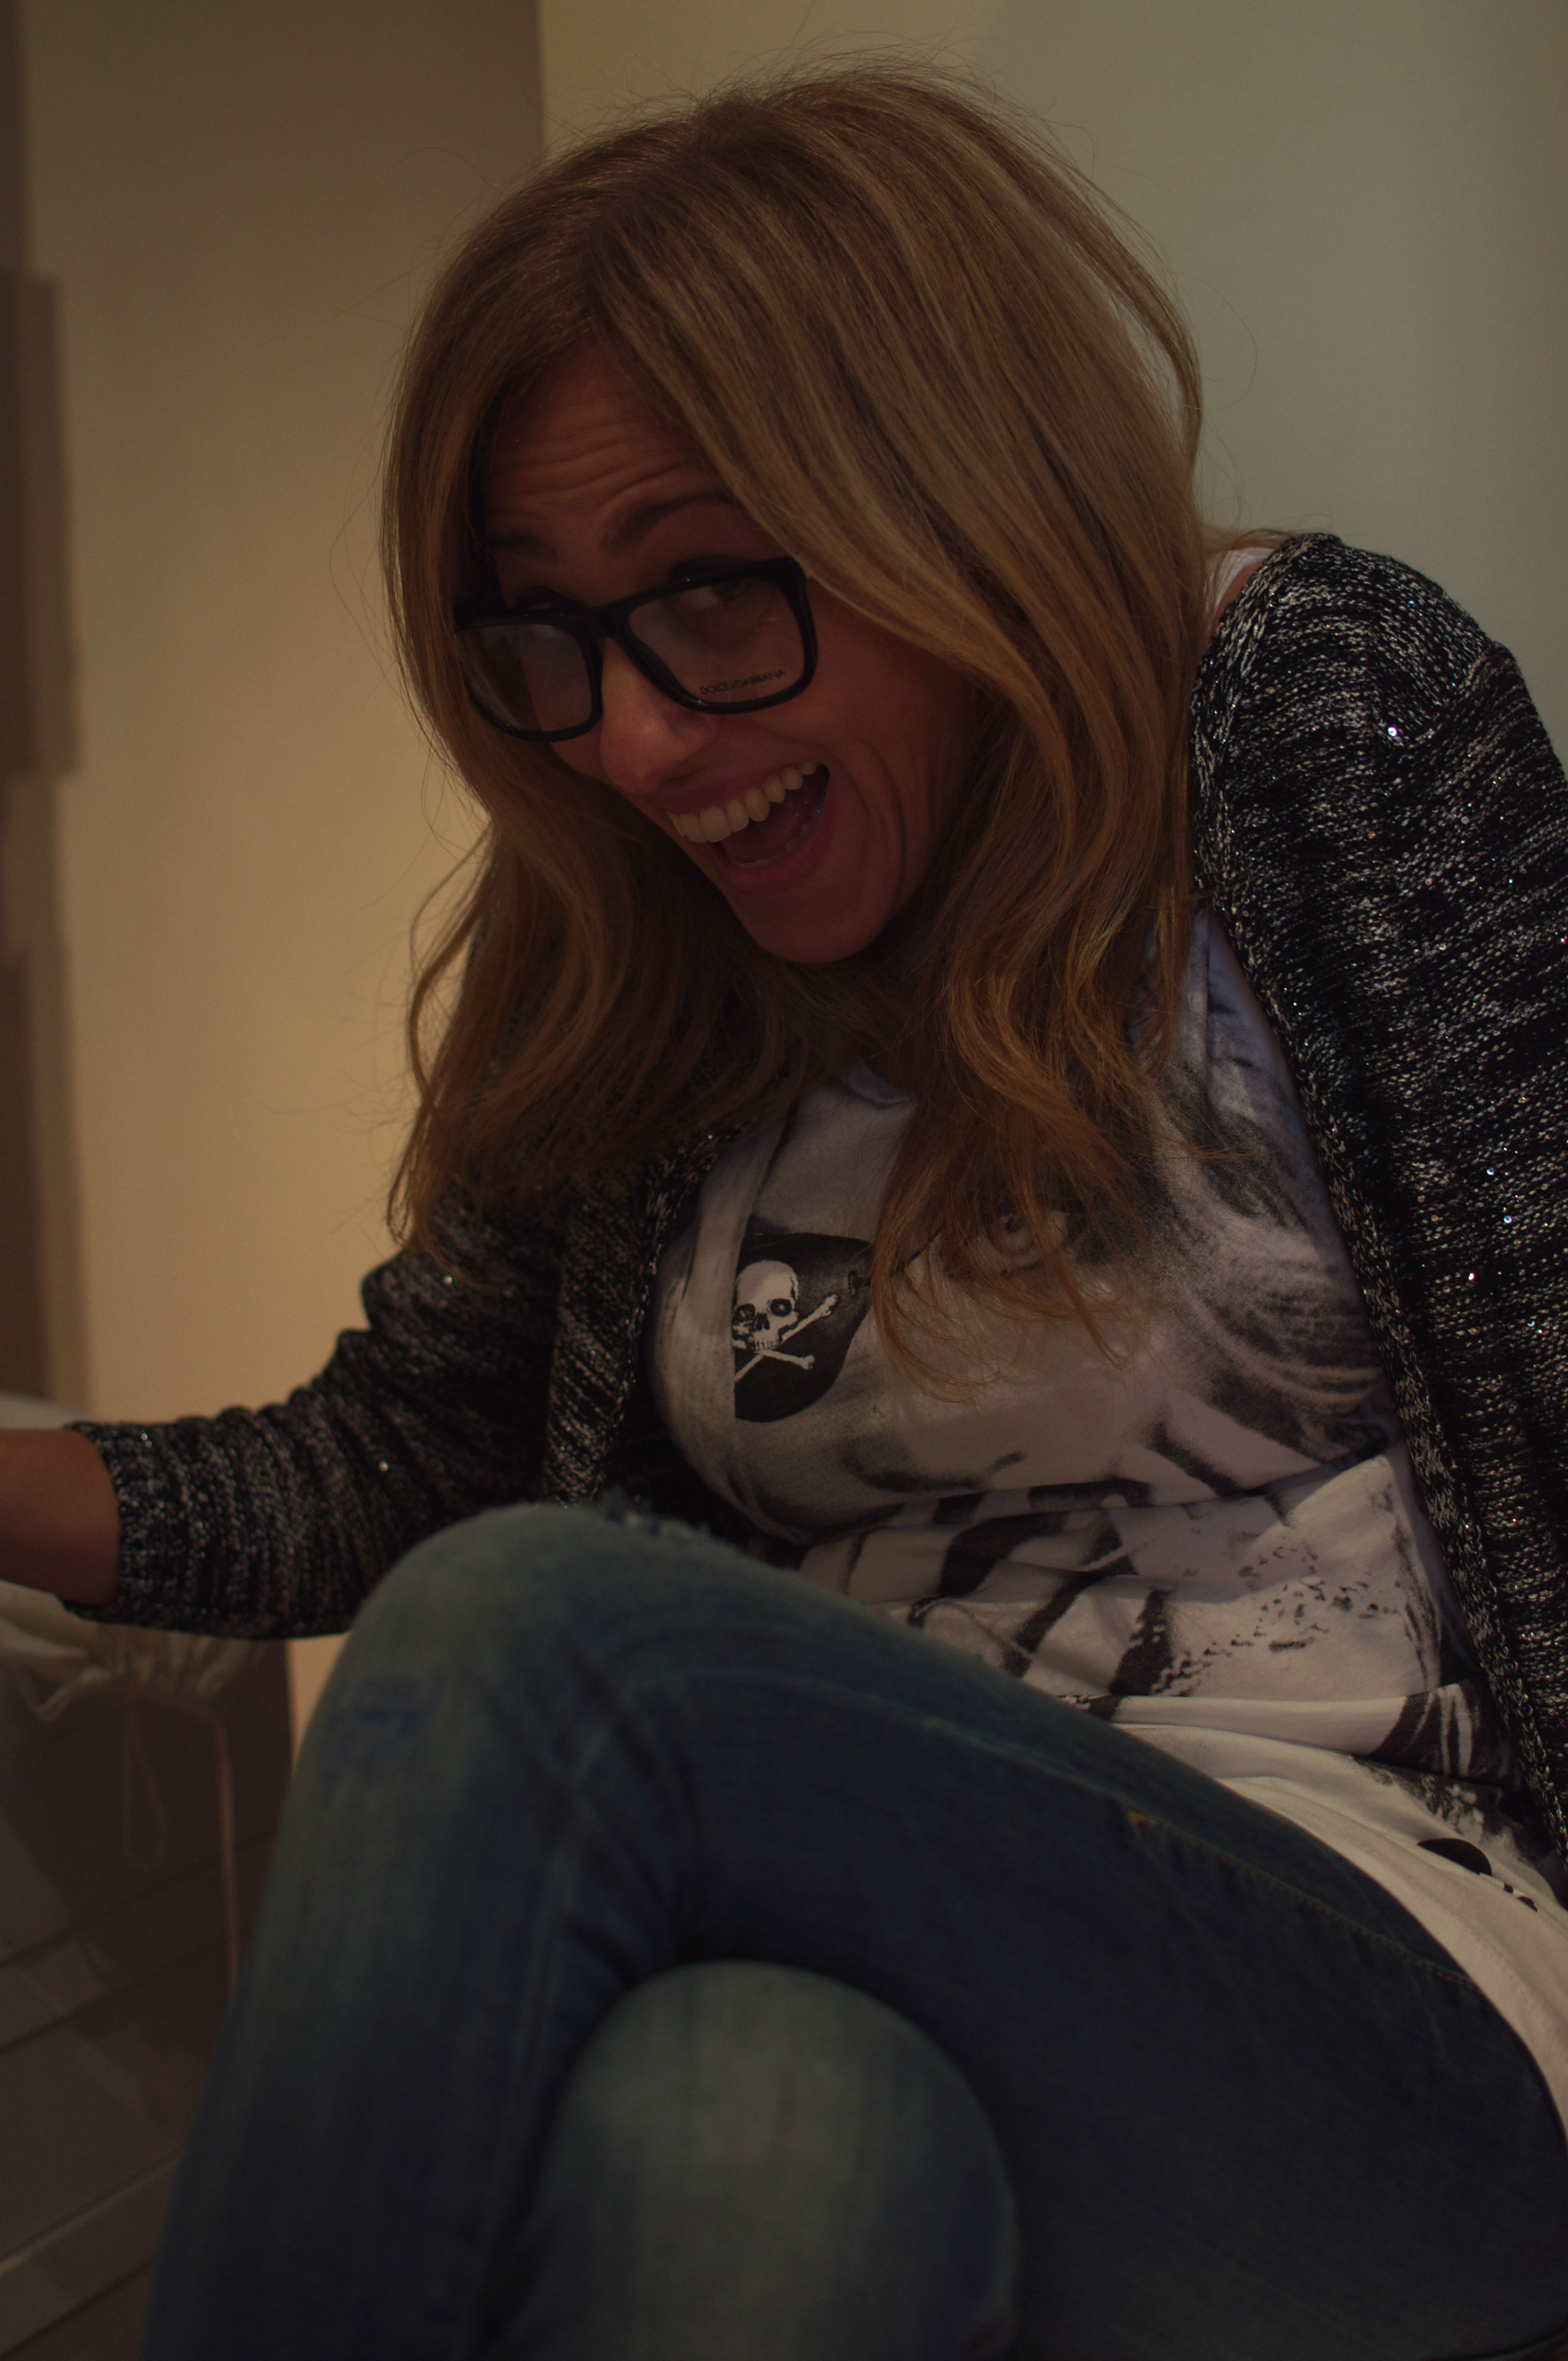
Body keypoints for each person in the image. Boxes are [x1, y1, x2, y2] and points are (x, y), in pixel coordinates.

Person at [3, 62, 1566, 2361]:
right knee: (745, 2133)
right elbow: (405, 1456)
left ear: (947, 500)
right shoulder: (642, 910)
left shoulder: (1305, 714)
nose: (633, 741)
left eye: (711, 597)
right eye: (543, 640)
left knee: (538, 1626)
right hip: (837, 1964)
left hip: (1383, 2008)